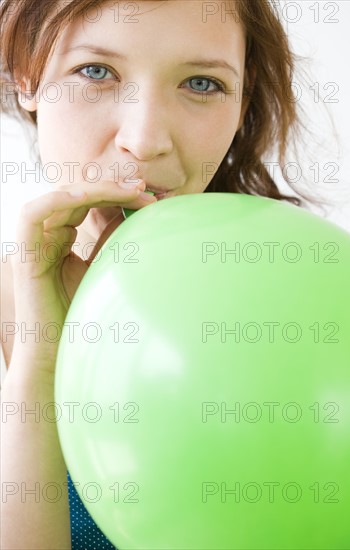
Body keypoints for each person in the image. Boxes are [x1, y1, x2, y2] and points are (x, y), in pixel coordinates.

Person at [0, 0, 328, 548]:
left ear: (241, 103)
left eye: (201, 83)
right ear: (28, 77)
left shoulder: (296, 306)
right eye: (96, 71)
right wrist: (40, 357)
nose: (145, 138)